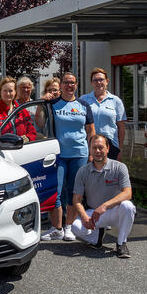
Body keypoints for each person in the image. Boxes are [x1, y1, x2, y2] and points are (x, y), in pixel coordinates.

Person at [40, 72, 95, 242]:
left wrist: (91, 153)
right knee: (54, 191)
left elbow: (91, 131)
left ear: (76, 85)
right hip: (58, 155)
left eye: (72, 83)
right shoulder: (53, 104)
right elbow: (40, 122)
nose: (69, 85)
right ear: (61, 85)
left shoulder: (83, 105)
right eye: (66, 82)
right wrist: (43, 100)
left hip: (79, 154)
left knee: (74, 192)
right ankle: (56, 228)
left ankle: (69, 227)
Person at [71, 134, 136, 258]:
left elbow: (128, 193)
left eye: (101, 147)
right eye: (94, 148)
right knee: (75, 227)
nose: (97, 151)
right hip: (94, 214)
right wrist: (84, 217)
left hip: (115, 212)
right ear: (89, 149)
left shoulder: (119, 167)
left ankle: (121, 243)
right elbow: (77, 199)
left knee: (128, 206)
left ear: (108, 149)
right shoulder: (82, 171)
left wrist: (105, 206)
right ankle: (97, 238)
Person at [80, 67, 127, 160]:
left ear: (107, 81)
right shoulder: (83, 100)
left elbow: (121, 127)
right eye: (95, 80)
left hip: (111, 146)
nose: (98, 82)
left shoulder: (116, 101)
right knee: (91, 173)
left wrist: (120, 149)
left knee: (109, 173)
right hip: (90, 146)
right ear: (92, 83)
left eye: (101, 79)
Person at [0, 76, 36, 143]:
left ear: (15, 92)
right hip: (2, 150)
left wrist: (27, 139)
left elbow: (32, 132)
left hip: (22, 149)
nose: (8, 94)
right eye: (5, 91)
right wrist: (2, 143)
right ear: (0, 92)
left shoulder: (22, 111)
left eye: (11, 91)